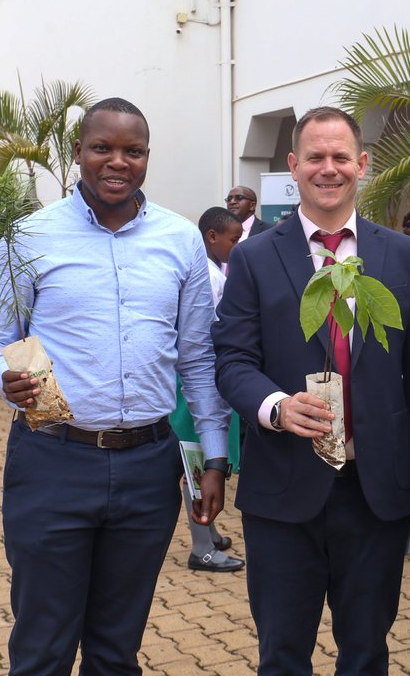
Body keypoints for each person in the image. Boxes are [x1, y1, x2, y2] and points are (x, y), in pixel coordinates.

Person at [0, 97, 230, 676]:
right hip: (52, 462)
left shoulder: (181, 239)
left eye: (132, 151)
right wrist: (3, 378)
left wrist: (213, 459)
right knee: (43, 648)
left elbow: (197, 360)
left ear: (147, 157)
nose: (118, 161)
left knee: (117, 651)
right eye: (102, 148)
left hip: (148, 469)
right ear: (78, 153)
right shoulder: (29, 236)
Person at [213, 106, 410, 675]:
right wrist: (276, 406)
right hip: (284, 489)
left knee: (366, 653)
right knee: (283, 654)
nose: (328, 168)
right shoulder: (254, 257)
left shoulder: (403, 256)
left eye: (340, 157)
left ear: (362, 164)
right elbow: (233, 361)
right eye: (315, 157)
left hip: (374, 491)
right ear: (293, 165)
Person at [171, 206, 245, 573]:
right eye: (234, 240)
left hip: (210, 380)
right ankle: (201, 548)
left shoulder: (216, 271)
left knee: (208, 459)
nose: (238, 246)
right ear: (212, 237)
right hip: (200, 384)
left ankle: (210, 533)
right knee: (197, 461)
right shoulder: (208, 277)